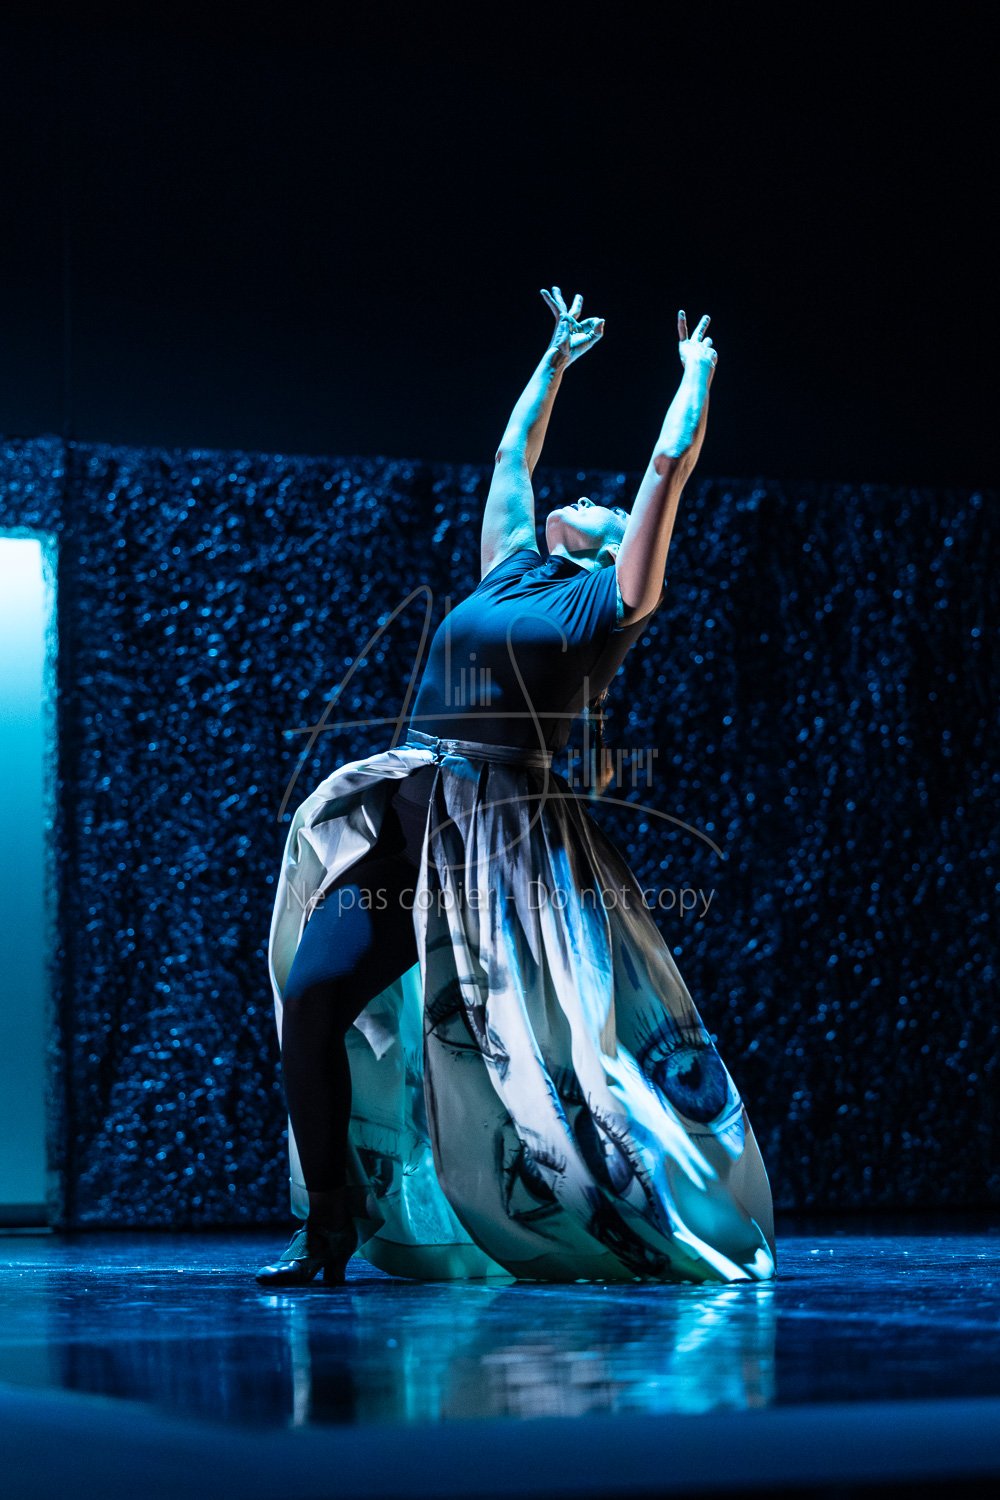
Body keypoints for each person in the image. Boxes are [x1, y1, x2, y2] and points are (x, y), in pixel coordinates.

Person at [258, 288, 776, 1287]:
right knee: (315, 995)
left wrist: (695, 374)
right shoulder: (508, 570)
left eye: (604, 507)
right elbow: (510, 458)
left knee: (542, 1059)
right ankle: (327, 1226)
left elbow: (666, 466)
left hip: (500, 838)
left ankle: (624, 1200)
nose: (582, 496)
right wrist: (555, 357)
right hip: (413, 808)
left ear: (616, 538)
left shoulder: (608, 602)